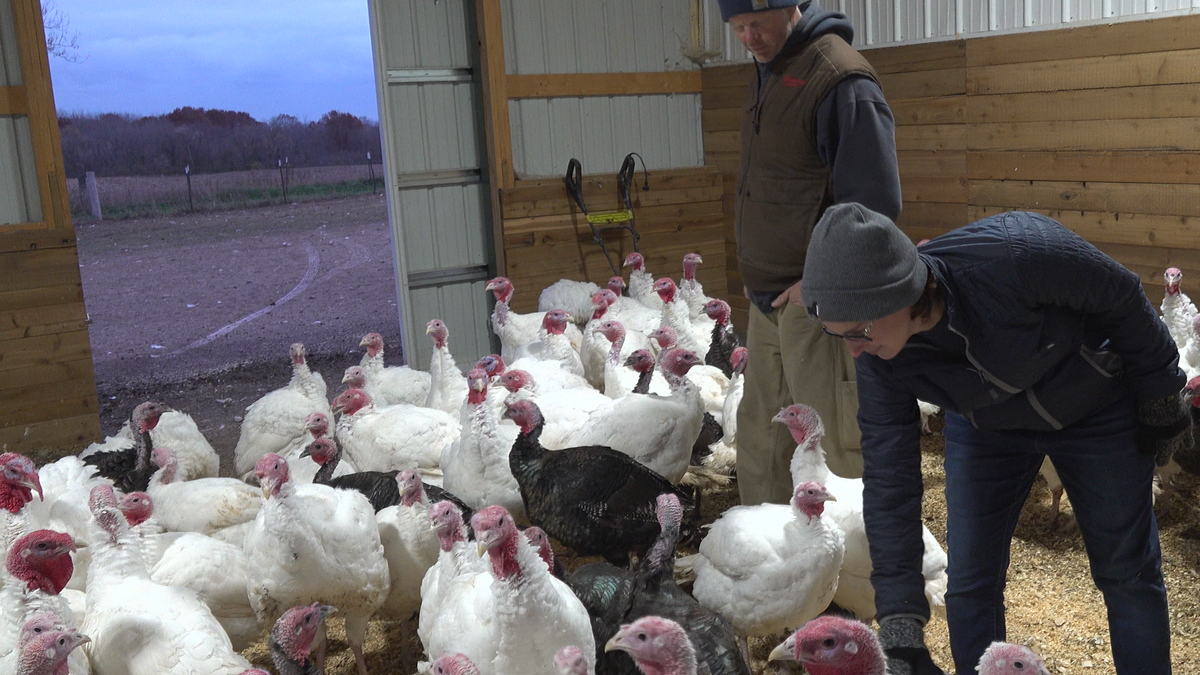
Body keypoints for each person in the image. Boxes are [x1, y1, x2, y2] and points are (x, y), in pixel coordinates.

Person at [801, 202, 1196, 675]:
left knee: (1127, 572)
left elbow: (1123, 296)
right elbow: (890, 481)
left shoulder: (1016, 252)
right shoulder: (879, 356)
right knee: (969, 581)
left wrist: (1160, 396)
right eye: (836, 334)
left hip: (1093, 408)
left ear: (902, 294)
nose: (853, 348)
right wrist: (901, 624)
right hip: (986, 424)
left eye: (859, 329)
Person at [718, 0, 902, 506]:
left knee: (833, 445)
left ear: (792, 7)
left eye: (759, 23)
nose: (749, 37)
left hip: (820, 306)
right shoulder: (770, 70)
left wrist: (815, 285)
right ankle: (771, 564)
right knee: (762, 438)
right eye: (737, 27)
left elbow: (874, 207)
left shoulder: (840, 80)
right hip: (768, 300)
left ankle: (854, 573)